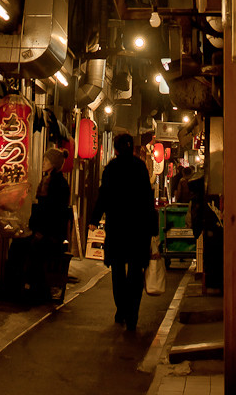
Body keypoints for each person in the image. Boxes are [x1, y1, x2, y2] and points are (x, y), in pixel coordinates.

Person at [89, 131, 159, 332]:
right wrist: (153, 226)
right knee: (136, 272)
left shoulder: (112, 168)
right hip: (138, 228)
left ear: (116, 149)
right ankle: (132, 314)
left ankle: (121, 308)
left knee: (118, 270)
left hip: (117, 227)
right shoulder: (140, 167)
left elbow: (104, 195)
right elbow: (148, 198)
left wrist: (95, 218)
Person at [25, 147, 71, 302]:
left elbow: (53, 211)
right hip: (43, 228)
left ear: (54, 163)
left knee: (40, 258)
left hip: (50, 231)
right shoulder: (47, 180)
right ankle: (37, 291)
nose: (43, 162)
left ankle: (40, 292)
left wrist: (42, 231)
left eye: (46, 160)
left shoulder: (58, 183)